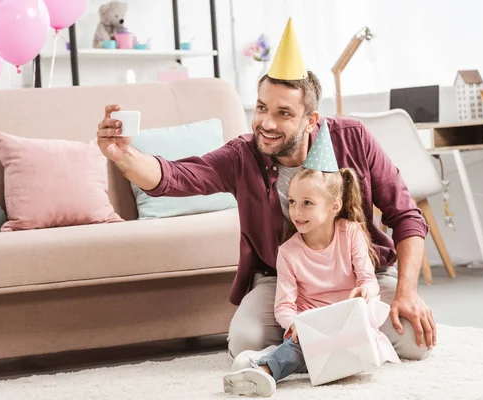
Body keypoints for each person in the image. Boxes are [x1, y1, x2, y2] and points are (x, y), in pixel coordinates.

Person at [95, 18, 436, 365]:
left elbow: (406, 215)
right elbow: (178, 176)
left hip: (361, 277)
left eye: (283, 113)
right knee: (246, 341)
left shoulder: (354, 138)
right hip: (285, 278)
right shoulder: (242, 155)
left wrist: (406, 293)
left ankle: (301, 353)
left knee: (414, 340)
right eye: (261, 108)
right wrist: (124, 154)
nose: (267, 123)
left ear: (311, 120)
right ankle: (311, 351)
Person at [223, 123, 399, 397]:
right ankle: (265, 372)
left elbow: (367, 279)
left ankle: (264, 360)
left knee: (347, 351)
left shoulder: (350, 232)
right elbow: (284, 304)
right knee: (303, 348)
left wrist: (366, 290)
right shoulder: (289, 251)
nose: (296, 211)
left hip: (347, 322)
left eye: (307, 203)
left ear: (334, 207)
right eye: (292, 202)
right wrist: (293, 323)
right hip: (310, 327)